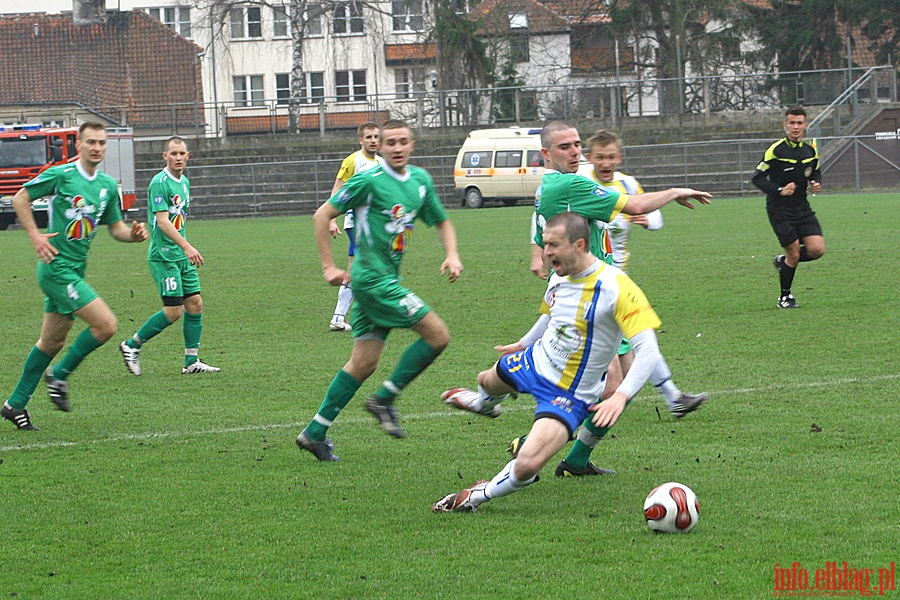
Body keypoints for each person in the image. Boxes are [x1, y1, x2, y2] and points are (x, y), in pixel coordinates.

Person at [446, 120, 710, 477]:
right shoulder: (569, 184)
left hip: (592, 289)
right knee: (612, 387)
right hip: (586, 296)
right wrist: (676, 191)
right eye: (565, 147)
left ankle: (565, 452)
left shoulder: (552, 185)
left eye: (576, 145)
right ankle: (537, 442)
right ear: (545, 154)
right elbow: (634, 205)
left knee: (622, 381)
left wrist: (538, 253)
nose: (575, 153)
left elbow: (542, 226)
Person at [433, 212, 664, 513]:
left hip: (569, 394)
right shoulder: (558, 276)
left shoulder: (617, 287)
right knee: (485, 379)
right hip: (535, 360)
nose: (546, 253)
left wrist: (620, 396)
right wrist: (523, 343)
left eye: (554, 245)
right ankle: (483, 405)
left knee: (527, 465)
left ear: (579, 245)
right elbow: (550, 314)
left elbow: (649, 351)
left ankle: (476, 496)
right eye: (545, 244)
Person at [296, 119, 463, 461]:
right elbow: (322, 214)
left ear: (412, 145)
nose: (398, 148)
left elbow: (441, 220)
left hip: (387, 279)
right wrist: (328, 266)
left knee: (363, 363)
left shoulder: (419, 180)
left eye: (404, 141)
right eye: (391, 143)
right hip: (372, 281)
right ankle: (384, 399)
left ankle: (314, 433)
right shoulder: (368, 181)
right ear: (380, 148)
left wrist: (452, 254)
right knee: (437, 335)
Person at [1, 122, 148, 431]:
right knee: (106, 325)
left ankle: (14, 405)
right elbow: (19, 199)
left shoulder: (107, 185)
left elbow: (115, 227)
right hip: (56, 268)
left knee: (51, 341)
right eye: (91, 142)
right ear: (78, 145)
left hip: (75, 269)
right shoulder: (62, 174)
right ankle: (60, 375)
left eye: (102, 142)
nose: (97, 147)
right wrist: (35, 236)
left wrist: (133, 236)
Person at [576, 129, 707, 419]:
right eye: (600, 157)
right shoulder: (583, 184)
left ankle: (672, 397)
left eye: (611, 156)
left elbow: (655, 214)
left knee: (633, 345)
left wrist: (648, 220)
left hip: (618, 280)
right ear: (590, 158)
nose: (606, 162)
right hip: (589, 282)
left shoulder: (628, 184)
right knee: (627, 350)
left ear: (619, 157)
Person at [118, 136, 220, 376]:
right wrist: (186, 246)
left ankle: (191, 361)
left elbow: (179, 219)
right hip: (164, 256)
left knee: (194, 303)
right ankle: (131, 345)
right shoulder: (159, 182)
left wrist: (184, 249)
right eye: (173, 153)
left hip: (181, 256)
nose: (178, 158)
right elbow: (162, 222)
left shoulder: (184, 182)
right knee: (174, 311)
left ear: (187, 156)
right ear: (165, 156)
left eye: (182, 153)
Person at [751, 105, 824, 308]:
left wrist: (816, 182)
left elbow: (815, 171)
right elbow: (757, 178)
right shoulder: (776, 151)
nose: (795, 127)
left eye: (799, 123)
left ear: (805, 125)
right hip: (779, 209)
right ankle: (785, 297)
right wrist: (779, 189)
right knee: (794, 253)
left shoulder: (810, 151)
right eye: (791, 123)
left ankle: (783, 261)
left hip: (802, 208)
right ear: (785, 125)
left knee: (817, 250)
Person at [328, 122, 381, 332]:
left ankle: (339, 317)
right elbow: (337, 190)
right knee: (369, 267)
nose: (373, 140)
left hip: (374, 225)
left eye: (376, 137)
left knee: (357, 269)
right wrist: (331, 219)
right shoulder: (353, 160)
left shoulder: (381, 163)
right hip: (355, 223)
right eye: (369, 137)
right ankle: (368, 314)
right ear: (361, 140)